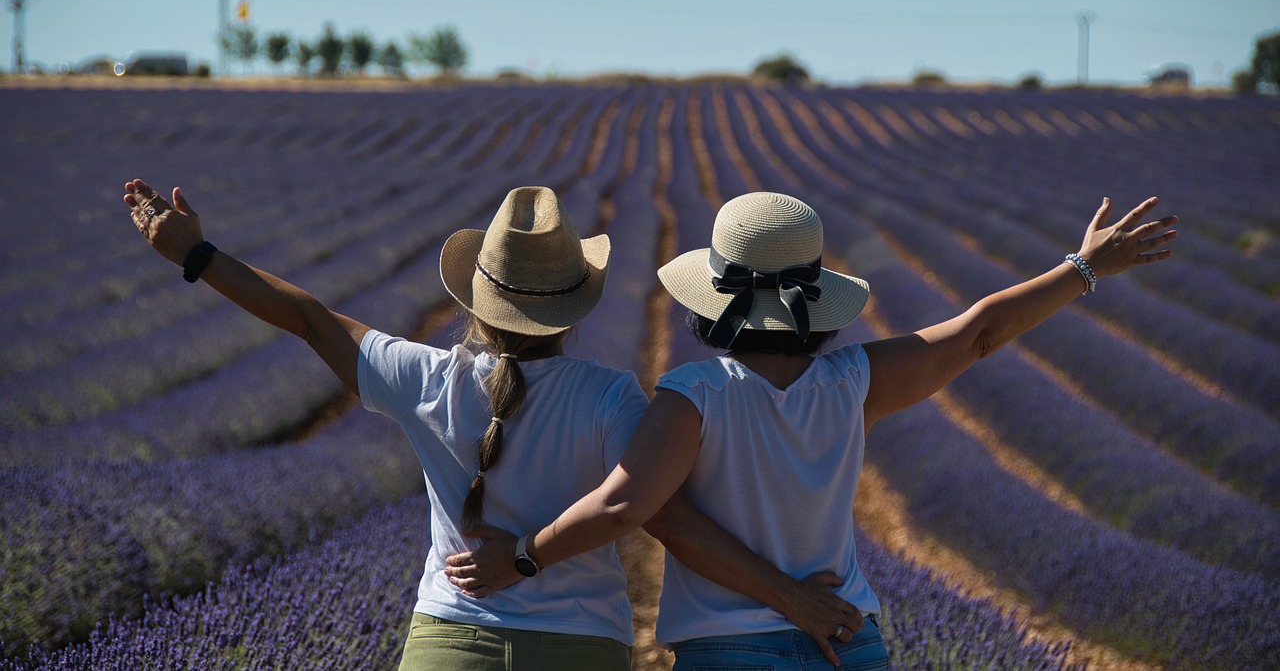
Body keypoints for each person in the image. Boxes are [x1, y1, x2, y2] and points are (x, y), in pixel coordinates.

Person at [122, 180, 851, 671]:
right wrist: (789, 591)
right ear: (575, 301)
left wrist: (196, 254)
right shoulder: (612, 396)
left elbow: (311, 318)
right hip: (580, 648)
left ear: (474, 293)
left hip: (451, 641)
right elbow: (661, 512)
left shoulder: (424, 377)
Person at [444, 191, 1178, 670]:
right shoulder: (852, 380)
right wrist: (1083, 266)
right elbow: (979, 332)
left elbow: (627, 507)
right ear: (816, 299)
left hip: (730, 649)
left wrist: (526, 559)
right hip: (848, 642)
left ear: (709, 297)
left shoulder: (693, 394)